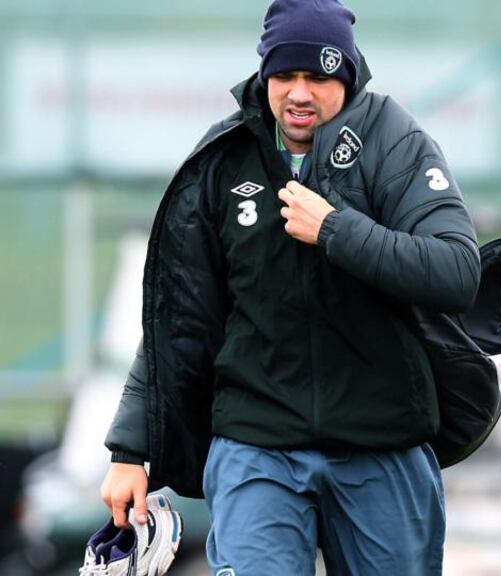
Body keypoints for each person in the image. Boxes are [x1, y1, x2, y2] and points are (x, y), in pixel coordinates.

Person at [99, 0, 480, 574]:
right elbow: (180, 315)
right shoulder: (224, 158)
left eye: (319, 76)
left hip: (382, 444)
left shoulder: (395, 141)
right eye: (284, 75)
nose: (299, 93)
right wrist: (130, 451)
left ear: (347, 78)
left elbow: (456, 271)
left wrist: (335, 229)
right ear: (264, 74)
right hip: (256, 446)